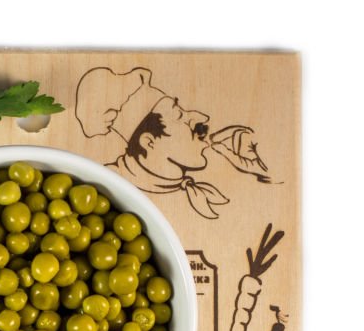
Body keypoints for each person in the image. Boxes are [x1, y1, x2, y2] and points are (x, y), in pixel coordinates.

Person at [76, 66, 268, 219]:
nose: (201, 117)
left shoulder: (223, 164)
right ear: (149, 142)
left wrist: (262, 173)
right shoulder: (108, 187)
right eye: (180, 115)